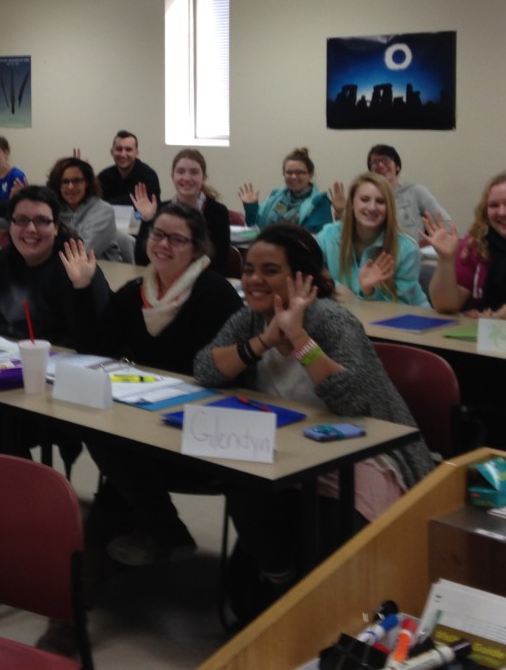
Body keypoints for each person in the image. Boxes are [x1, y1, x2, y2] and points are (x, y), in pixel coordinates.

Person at [194, 224, 433, 618]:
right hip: (288, 449)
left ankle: (327, 611)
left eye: (270, 270)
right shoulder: (249, 319)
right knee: (244, 490)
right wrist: (265, 341)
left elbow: (353, 398)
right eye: (249, 268)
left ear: (302, 278)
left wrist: (299, 337)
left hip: (361, 452)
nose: (254, 279)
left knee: (337, 539)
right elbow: (205, 368)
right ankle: (284, 587)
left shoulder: (332, 320)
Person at [61, 201, 244, 567]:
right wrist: (83, 288)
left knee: (115, 458)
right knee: (100, 433)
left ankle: (158, 531)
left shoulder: (215, 294)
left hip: (201, 427)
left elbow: (222, 375)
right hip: (146, 419)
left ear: (196, 248)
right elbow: (95, 349)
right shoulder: (135, 293)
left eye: (177, 239)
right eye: (158, 234)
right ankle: (161, 531)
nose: (163, 244)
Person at [0, 184, 108, 341]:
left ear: (56, 227)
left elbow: (93, 343)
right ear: (10, 224)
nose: (31, 229)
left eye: (42, 221)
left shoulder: (76, 268)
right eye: (21, 220)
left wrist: (82, 287)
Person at [427, 169, 506, 321]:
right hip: (479, 340)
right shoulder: (475, 244)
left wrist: (504, 314)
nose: (502, 212)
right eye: (494, 206)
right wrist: (446, 259)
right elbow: (445, 305)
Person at [316, 172, 427, 306]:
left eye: (380, 202)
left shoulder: (407, 248)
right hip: (348, 319)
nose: (372, 207)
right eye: (365, 199)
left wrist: (369, 292)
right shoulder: (328, 235)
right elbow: (311, 271)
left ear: (389, 208)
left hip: (407, 320)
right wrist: (339, 288)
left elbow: (401, 307)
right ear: (351, 203)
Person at [131, 148, 231, 274]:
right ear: (173, 177)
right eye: (180, 172)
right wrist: (147, 219)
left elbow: (220, 264)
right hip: (164, 279)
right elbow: (142, 260)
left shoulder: (218, 212)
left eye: (194, 172)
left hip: (201, 283)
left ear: (204, 177)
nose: (187, 177)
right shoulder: (160, 210)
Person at [330, 144, 452, 243]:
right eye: (375, 162)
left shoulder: (415, 191)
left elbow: (447, 225)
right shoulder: (365, 198)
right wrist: (340, 212)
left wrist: (421, 245)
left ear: (397, 167)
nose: (381, 165)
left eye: (385, 160)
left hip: (413, 258)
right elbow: (345, 236)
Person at [237, 146, 332, 233]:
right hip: (267, 247)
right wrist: (251, 207)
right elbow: (254, 229)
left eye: (299, 172)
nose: (293, 177)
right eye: (289, 172)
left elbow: (311, 236)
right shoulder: (275, 196)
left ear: (310, 174)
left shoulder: (320, 202)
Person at [47, 157, 122, 261]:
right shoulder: (54, 209)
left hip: (101, 270)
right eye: (64, 182)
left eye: (76, 181)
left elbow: (83, 252)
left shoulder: (103, 211)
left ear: (86, 182)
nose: (70, 187)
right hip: (62, 268)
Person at [97, 130, 161, 206]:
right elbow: (93, 201)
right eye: (119, 149)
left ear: (136, 153)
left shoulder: (148, 176)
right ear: (112, 152)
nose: (123, 154)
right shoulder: (104, 176)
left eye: (128, 149)